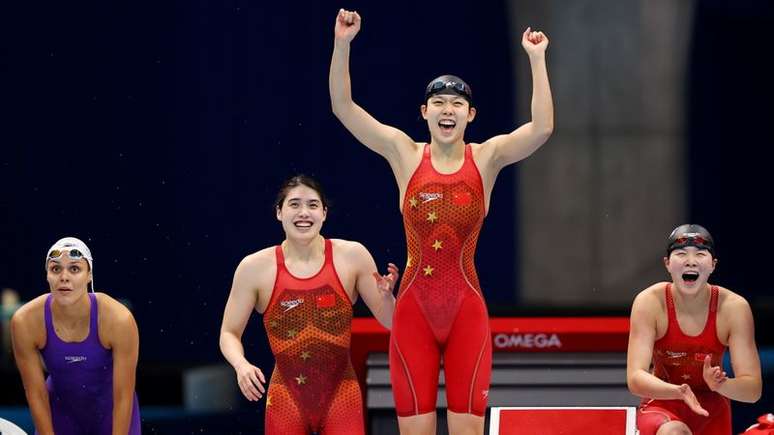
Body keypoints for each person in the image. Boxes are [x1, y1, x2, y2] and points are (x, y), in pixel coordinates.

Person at [329, 8, 553, 435]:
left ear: (470, 115)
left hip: (467, 312)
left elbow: (542, 128)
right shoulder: (404, 154)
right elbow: (343, 107)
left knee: (467, 431)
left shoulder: (486, 158)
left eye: (457, 104)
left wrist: (536, 59)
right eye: (439, 103)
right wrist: (343, 44)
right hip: (413, 315)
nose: (447, 110)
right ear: (424, 112)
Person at [219, 175, 399, 435]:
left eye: (313, 205)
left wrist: (387, 298)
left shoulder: (352, 256)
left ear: (324, 214)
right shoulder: (254, 269)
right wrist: (241, 365)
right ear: (279, 213)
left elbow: (392, 322)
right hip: (286, 399)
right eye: (294, 204)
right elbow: (228, 333)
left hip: (342, 397)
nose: (304, 213)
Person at [627, 224, 762, 435]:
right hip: (663, 403)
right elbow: (635, 378)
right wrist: (679, 391)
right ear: (667, 264)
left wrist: (720, 385)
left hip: (712, 410)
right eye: (681, 254)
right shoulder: (650, 303)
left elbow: (753, 390)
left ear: (713, 265)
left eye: (700, 254)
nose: (690, 261)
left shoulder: (734, 308)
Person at [10, 237, 141, 435]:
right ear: (47, 275)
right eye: (55, 269)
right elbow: (36, 394)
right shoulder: (25, 321)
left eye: (74, 269)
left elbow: (123, 395)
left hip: (112, 416)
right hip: (60, 417)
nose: (64, 277)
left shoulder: (118, 319)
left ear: (89, 275)